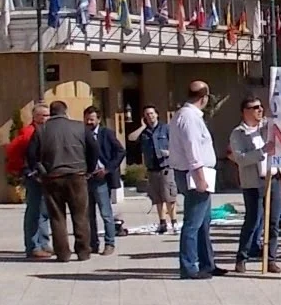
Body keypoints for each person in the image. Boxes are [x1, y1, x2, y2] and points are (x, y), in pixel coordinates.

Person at [28, 99, 98, 263]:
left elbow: (31, 154)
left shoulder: (41, 130)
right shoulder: (80, 127)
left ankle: (63, 253)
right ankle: (83, 251)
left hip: (53, 177)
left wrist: (40, 171)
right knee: (81, 215)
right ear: (65, 111)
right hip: (77, 175)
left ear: (51, 113)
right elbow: (94, 149)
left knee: (57, 216)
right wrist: (89, 168)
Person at [168, 81, 224, 280]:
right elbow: (193, 150)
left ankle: (207, 263)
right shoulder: (189, 118)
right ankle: (189, 266)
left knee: (203, 222)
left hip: (195, 172)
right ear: (205, 97)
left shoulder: (184, 116)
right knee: (193, 223)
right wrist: (200, 177)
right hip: (194, 173)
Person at [228, 95, 279, 274]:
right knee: (253, 220)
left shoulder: (269, 127)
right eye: (255, 107)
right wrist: (262, 151)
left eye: (260, 107)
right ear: (245, 112)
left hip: (273, 179)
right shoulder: (238, 133)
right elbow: (241, 158)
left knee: (273, 221)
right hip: (253, 182)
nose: (260, 110)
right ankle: (242, 258)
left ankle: (270, 258)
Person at [6, 102, 52, 260]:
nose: (47, 118)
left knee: (44, 212)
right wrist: (24, 171)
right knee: (33, 212)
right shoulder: (28, 132)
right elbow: (13, 151)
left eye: (48, 115)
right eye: (44, 115)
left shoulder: (46, 131)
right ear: (35, 116)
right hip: (34, 177)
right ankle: (33, 246)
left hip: (46, 177)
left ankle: (44, 243)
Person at [84, 106, 125, 256]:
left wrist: (108, 169)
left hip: (102, 178)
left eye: (92, 119)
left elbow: (121, 151)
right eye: (87, 119)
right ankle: (92, 244)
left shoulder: (106, 134)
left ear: (98, 120)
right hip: (87, 178)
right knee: (88, 214)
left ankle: (109, 243)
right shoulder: (82, 134)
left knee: (105, 213)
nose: (89, 122)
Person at [129, 106, 176, 234]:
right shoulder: (144, 132)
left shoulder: (165, 128)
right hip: (152, 168)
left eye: (152, 113)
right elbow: (131, 138)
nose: (150, 116)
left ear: (157, 114)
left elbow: (177, 145)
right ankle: (162, 223)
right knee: (157, 198)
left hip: (166, 167)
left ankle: (174, 222)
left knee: (169, 197)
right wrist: (142, 127)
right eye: (147, 114)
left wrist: (169, 152)